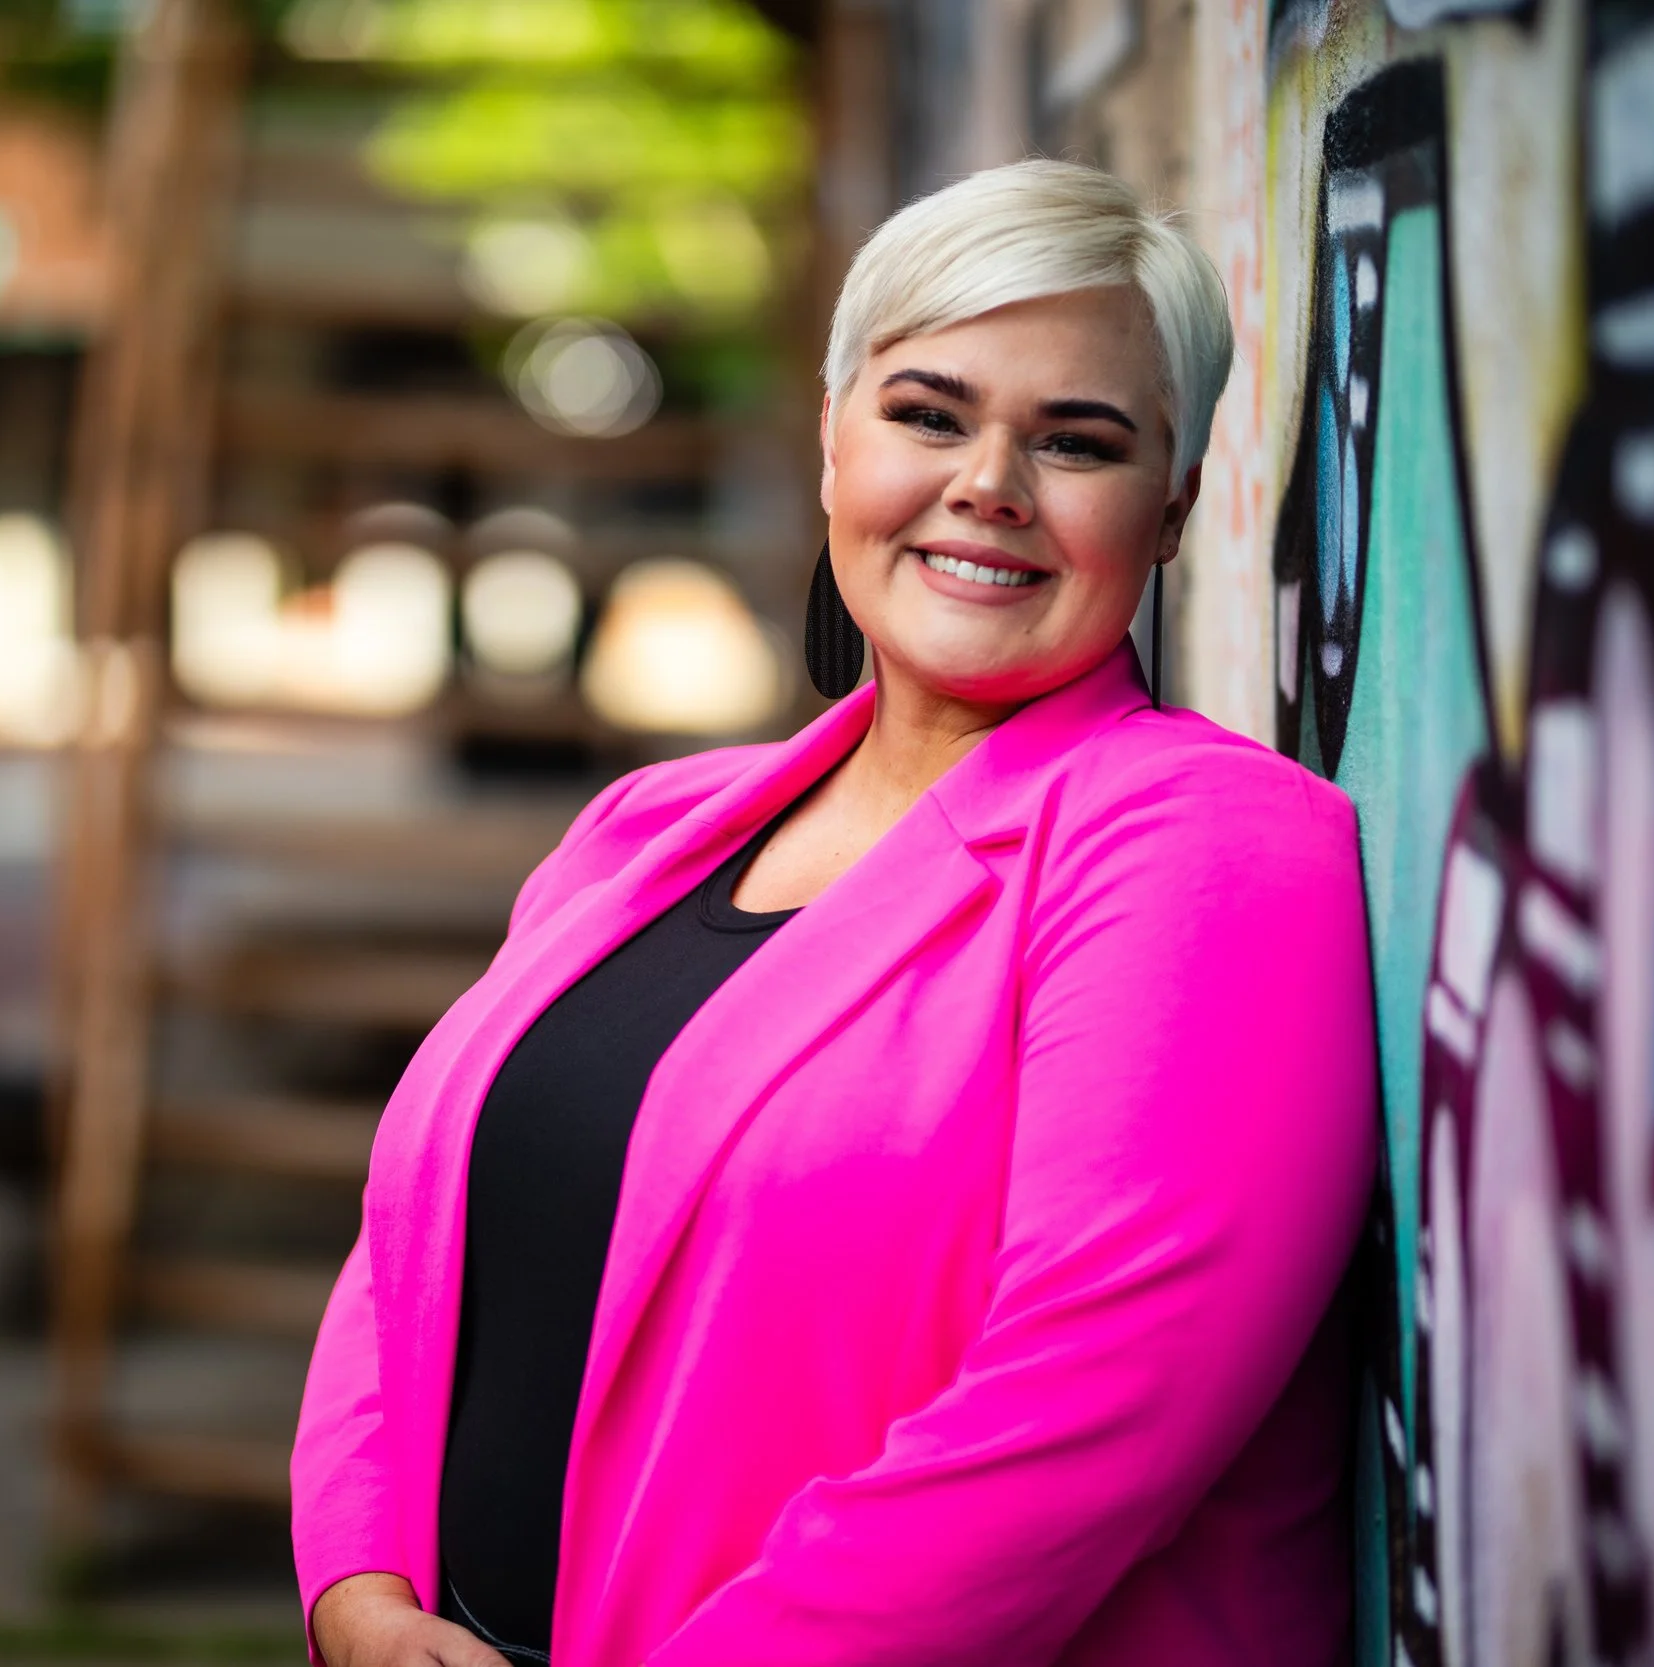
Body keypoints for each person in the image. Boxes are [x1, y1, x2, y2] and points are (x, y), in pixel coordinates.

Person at [292, 159, 1377, 1667]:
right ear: (831, 436)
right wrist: (357, 1592)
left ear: (1173, 504)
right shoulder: (644, 831)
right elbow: (415, 1240)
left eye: (1077, 440)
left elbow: (1079, 1416)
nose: (988, 483)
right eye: (929, 412)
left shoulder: (1208, 850)